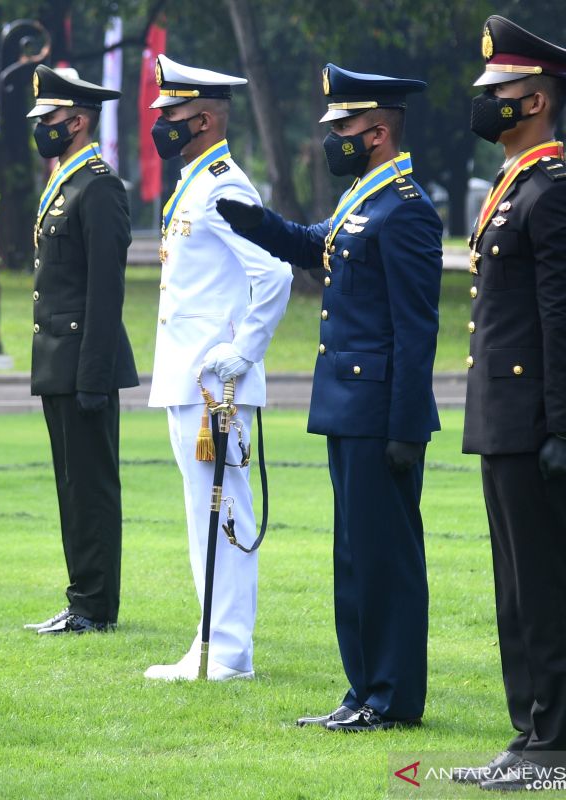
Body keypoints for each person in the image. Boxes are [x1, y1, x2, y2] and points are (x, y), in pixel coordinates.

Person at [218, 65, 442, 731]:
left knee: (385, 560)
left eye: (341, 127)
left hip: (380, 416)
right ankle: (363, 688)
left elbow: (415, 329)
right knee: (354, 557)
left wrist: (406, 426)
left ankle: (393, 697)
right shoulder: (363, 201)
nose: (331, 138)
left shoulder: (404, 210)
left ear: (376, 132)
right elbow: (316, 245)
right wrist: (254, 222)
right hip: (349, 410)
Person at [448, 16, 566, 791]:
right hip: (503, 419)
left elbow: (559, 322)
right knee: (515, 590)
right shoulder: (517, 189)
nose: (485, 103)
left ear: (535, 100)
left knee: (547, 587)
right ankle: (528, 737)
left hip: (537, 421)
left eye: (497, 91)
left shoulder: (554, 195)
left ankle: (556, 753)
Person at [143, 55, 292, 681]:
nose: (161, 125)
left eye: (171, 115)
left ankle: (227, 652)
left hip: (215, 384)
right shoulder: (197, 183)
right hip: (191, 380)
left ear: (202, 119)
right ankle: (211, 639)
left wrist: (244, 351)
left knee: (224, 513)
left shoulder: (224, 186)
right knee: (202, 512)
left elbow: (276, 272)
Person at [22, 65, 138, 636]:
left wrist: (94, 376)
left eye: (50, 119)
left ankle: (96, 605)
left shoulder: (98, 187)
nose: (43, 128)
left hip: (83, 363)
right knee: (70, 487)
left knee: (90, 488)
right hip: (58, 362)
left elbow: (104, 291)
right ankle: (80, 598)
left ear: (78, 120)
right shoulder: (66, 181)